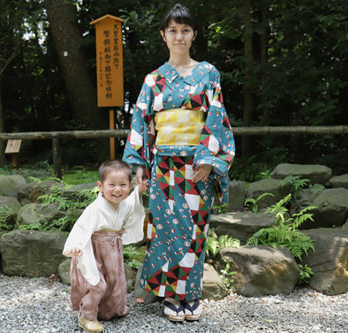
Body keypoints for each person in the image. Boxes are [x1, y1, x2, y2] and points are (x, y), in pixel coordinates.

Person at [123, 3, 235, 322]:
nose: (179, 36)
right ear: (163, 35)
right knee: (166, 229)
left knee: (195, 229)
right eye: (172, 30)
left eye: (185, 30)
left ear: (194, 34)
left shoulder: (208, 73)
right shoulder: (154, 79)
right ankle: (172, 295)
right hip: (163, 167)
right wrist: (140, 166)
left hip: (197, 165)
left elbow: (216, 117)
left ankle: (191, 294)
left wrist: (208, 160)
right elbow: (141, 122)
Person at [63, 159, 148, 333]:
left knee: (115, 281)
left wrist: (139, 190)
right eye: (112, 185)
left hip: (112, 250)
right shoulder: (95, 209)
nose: (118, 189)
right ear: (100, 186)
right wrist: (76, 246)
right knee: (96, 284)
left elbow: (133, 204)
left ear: (129, 185)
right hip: (93, 249)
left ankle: (109, 310)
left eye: (123, 185)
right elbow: (82, 227)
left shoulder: (123, 204)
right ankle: (86, 315)